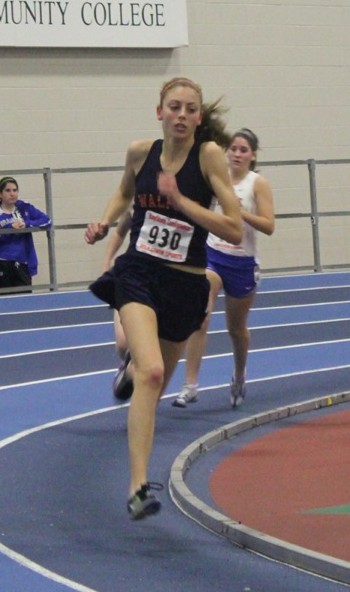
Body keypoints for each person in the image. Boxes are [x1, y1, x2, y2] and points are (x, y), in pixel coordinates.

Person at [84, 76, 243, 520]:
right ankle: (137, 486)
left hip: (187, 283)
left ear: (198, 118)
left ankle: (130, 369)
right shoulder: (141, 152)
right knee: (153, 372)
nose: (182, 115)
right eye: (174, 107)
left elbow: (231, 227)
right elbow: (124, 192)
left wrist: (183, 202)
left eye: (191, 109)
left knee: (153, 383)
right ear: (160, 112)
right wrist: (103, 222)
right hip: (139, 272)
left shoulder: (209, 156)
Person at [172, 128, 275, 409]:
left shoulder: (257, 184)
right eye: (233, 149)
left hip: (243, 262)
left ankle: (240, 374)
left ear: (253, 155)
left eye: (243, 150)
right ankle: (190, 385)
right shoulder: (217, 179)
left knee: (236, 329)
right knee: (200, 315)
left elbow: (269, 226)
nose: (237, 154)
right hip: (214, 255)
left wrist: (238, 212)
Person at [0, 176, 52, 293]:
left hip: (22, 263)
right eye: (8, 190)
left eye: (15, 190)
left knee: (23, 300)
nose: (12, 194)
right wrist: (9, 229)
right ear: (0, 194)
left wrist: (27, 224)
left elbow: (47, 221)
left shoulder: (23, 207)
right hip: (2, 263)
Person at [101, 209, 132, 398]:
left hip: (167, 278)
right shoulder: (141, 201)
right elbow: (120, 231)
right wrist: (106, 262)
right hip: (133, 272)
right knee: (123, 344)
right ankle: (127, 365)